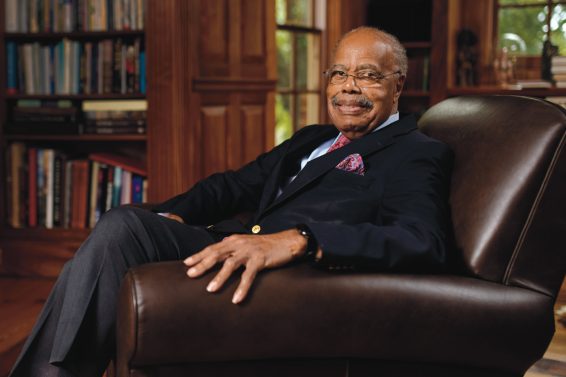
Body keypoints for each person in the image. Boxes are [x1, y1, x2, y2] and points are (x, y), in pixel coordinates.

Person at [10, 26, 453, 377]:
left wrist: (300, 240)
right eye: (338, 73)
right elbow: (233, 186)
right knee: (123, 224)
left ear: (398, 85)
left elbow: (420, 239)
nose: (348, 88)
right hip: (231, 245)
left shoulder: (415, 152)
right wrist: (170, 215)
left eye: (368, 75)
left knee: (121, 231)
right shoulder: (313, 138)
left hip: (291, 279)